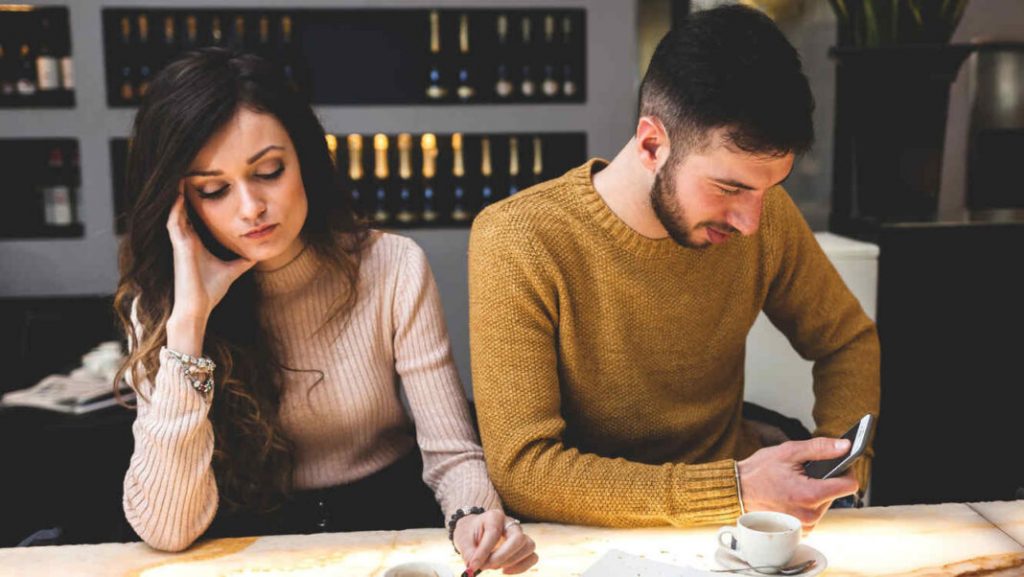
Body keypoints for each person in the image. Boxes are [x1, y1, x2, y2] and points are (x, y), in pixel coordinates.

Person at [113, 48, 536, 575]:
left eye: (269, 171)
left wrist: (474, 516)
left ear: (305, 161)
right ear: (183, 205)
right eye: (214, 190)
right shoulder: (163, 304)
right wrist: (189, 324)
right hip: (252, 551)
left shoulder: (392, 265)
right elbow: (168, 529)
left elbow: (451, 452)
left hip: (386, 527)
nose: (250, 208)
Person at [468, 5, 880, 532]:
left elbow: (847, 341)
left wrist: (839, 470)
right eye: (729, 188)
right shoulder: (519, 238)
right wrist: (734, 489)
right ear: (651, 145)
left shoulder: (766, 217)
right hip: (584, 533)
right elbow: (523, 469)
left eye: (769, 189)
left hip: (739, 525)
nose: (751, 222)